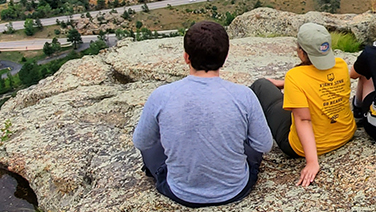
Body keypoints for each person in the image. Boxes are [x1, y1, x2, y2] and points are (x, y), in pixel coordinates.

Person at [133, 21, 272, 208]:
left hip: (180, 192)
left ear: (186, 57)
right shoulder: (244, 95)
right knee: (248, 141)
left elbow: (141, 142)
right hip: (236, 188)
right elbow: (264, 144)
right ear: (225, 57)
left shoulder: (162, 95)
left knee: (149, 145)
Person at [250, 23, 355, 187]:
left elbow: (303, 120)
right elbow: (319, 81)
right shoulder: (341, 65)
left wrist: (312, 161)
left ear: (301, 52)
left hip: (299, 147)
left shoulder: (295, 76)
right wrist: (285, 84)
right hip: (345, 134)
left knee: (261, 85)